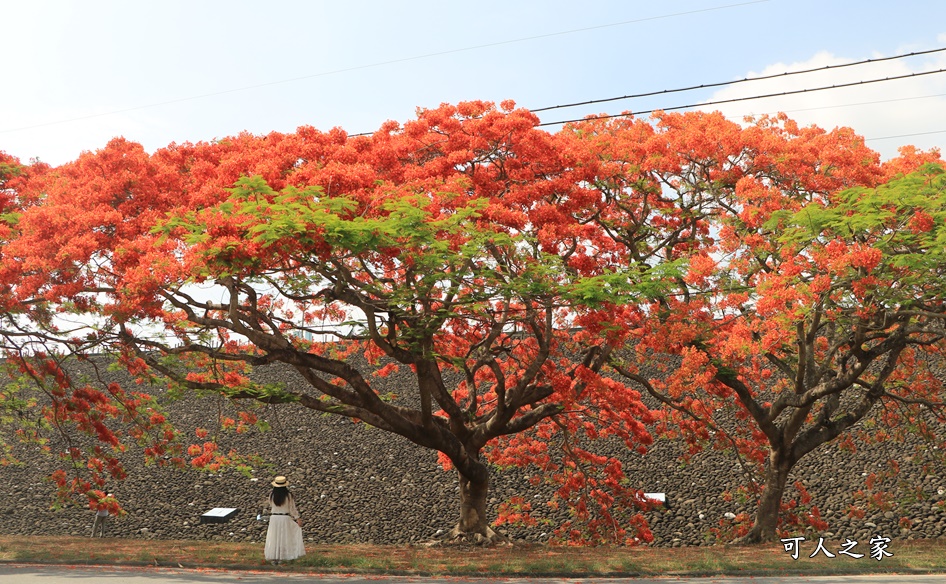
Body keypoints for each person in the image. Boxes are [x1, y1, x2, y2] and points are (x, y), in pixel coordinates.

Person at [262, 475, 305, 563]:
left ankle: (274, 557)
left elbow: (271, 506)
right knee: (285, 536)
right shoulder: (288, 495)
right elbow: (292, 508)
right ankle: (283, 556)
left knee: (275, 537)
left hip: (274, 518)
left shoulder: (272, 495)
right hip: (284, 518)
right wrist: (298, 518)